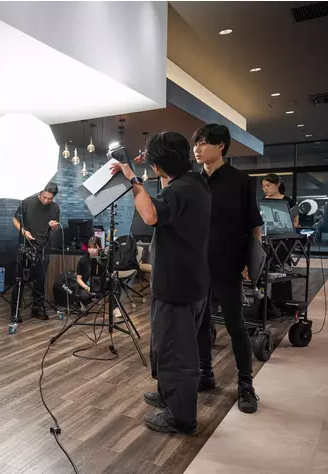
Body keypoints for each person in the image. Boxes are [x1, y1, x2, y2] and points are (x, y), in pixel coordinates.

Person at [111, 131, 211, 435]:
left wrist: (133, 180)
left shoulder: (179, 190)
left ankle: (181, 417)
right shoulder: (195, 183)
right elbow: (166, 202)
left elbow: (150, 214)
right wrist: (154, 170)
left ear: (158, 166)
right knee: (166, 347)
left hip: (177, 286)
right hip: (188, 280)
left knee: (176, 353)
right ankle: (168, 394)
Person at [193, 123, 263, 414]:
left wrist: (253, 261)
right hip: (197, 265)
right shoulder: (193, 182)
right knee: (200, 323)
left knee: (235, 325)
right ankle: (204, 373)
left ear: (221, 145)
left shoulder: (240, 180)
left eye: (203, 143)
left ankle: (246, 384)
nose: (197, 149)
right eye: (195, 144)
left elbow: (254, 224)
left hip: (228, 263)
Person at [10, 182, 60, 322]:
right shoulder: (27, 202)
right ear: (40, 192)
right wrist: (24, 231)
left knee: (40, 280)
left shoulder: (55, 208)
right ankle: (15, 312)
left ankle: (36, 309)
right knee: (20, 279)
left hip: (43, 248)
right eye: (44, 197)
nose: (46, 200)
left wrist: (54, 226)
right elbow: (15, 219)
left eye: (50, 198)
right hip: (26, 246)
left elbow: (55, 228)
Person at [76, 236, 105, 305]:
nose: (91, 250)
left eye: (94, 248)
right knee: (84, 296)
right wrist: (87, 288)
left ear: (99, 247)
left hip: (100, 287)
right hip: (87, 287)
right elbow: (78, 279)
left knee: (116, 283)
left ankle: (115, 307)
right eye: (89, 247)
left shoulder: (104, 259)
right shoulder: (83, 260)